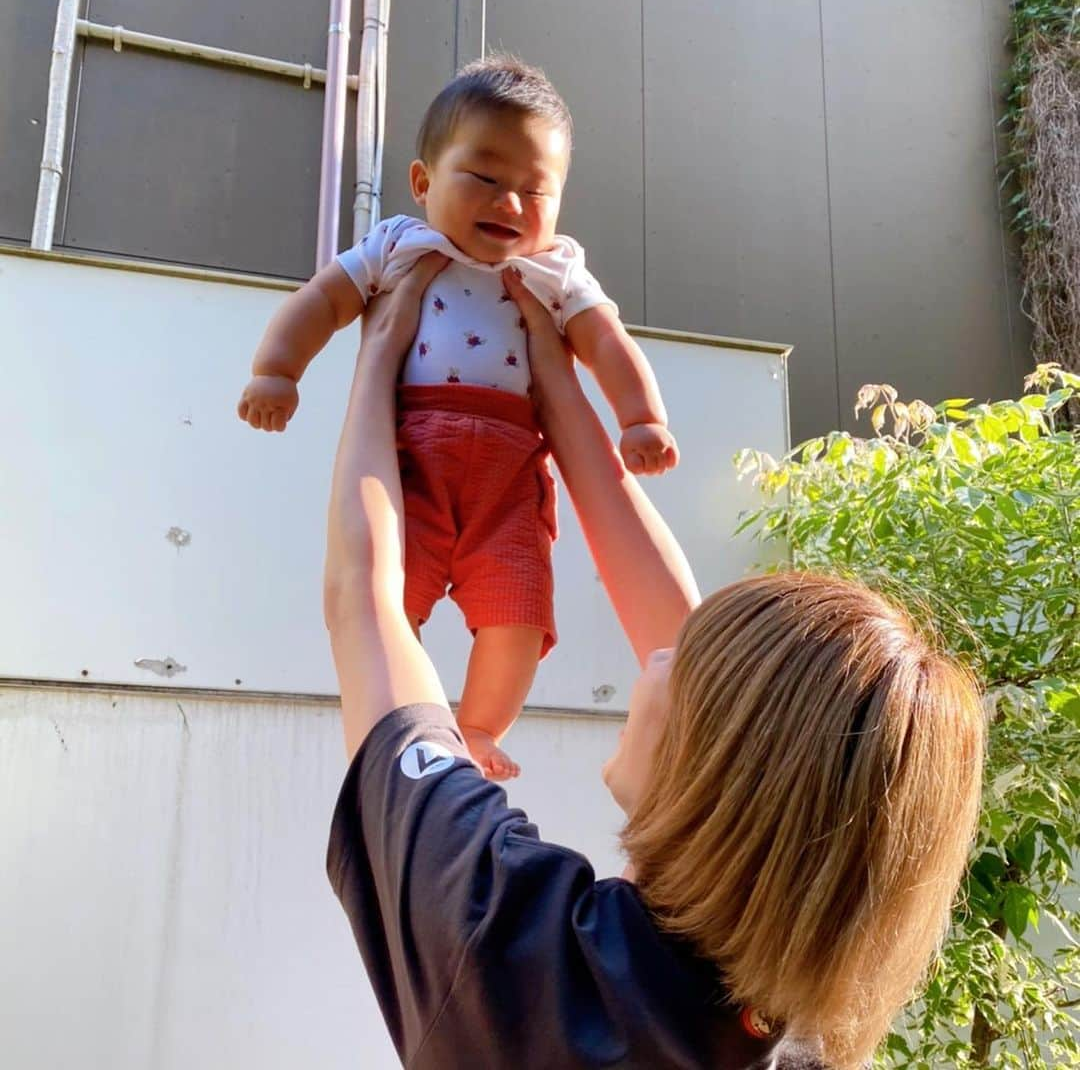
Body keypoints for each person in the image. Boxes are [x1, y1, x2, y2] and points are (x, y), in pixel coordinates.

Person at [322, 257, 986, 1069]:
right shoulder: (797, 1032)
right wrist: (550, 377)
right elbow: (735, 692)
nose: (662, 654)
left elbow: (367, 596)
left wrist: (381, 350)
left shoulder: (505, 939)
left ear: (711, 761)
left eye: (692, 664)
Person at [238, 56, 676, 780]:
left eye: (536, 190)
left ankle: (475, 727)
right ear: (423, 182)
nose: (510, 203)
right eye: (486, 178)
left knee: (520, 614)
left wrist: (640, 419)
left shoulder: (556, 272)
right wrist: (276, 370)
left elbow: (606, 342)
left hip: (509, 477)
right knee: (386, 602)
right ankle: (405, 725)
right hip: (412, 455)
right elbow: (321, 302)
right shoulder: (397, 247)